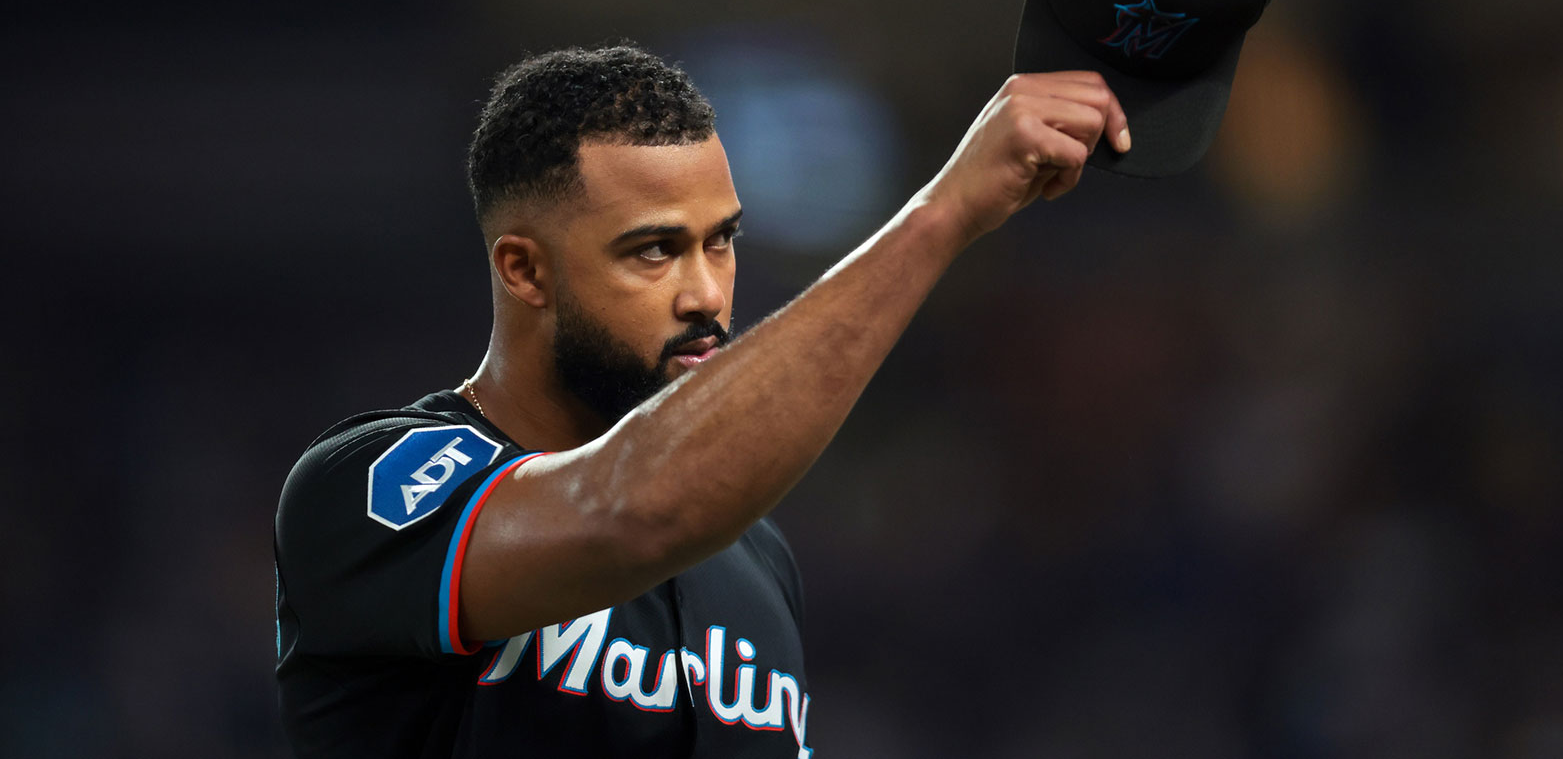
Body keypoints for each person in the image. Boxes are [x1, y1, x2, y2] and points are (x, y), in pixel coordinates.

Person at [274, 43, 1129, 757]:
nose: (706, 296)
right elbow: (631, 509)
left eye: (720, 244)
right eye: (653, 252)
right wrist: (940, 215)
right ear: (525, 270)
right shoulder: (365, 491)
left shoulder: (753, 558)